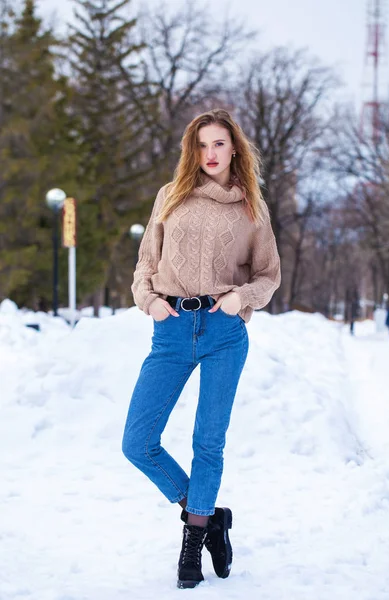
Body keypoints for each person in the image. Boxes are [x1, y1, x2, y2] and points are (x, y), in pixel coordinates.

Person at [122, 108, 281, 589]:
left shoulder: (251, 207)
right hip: (170, 330)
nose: (210, 154)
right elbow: (145, 262)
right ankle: (209, 515)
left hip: (222, 332)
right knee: (137, 442)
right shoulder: (169, 198)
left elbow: (268, 275)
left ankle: (193, 543)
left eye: (219, 144)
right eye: (202, 144)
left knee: (207, 442)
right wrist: (148, 301)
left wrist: (241, 299)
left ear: (235, 149)